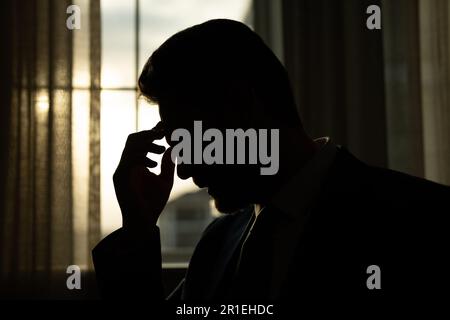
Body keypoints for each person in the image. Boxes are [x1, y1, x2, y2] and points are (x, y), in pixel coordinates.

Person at [92, 19, 449, 305]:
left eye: (191, 140)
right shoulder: (215, 245)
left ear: (241, 106)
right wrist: (138, 231)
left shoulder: (422, 220)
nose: (183, 169)